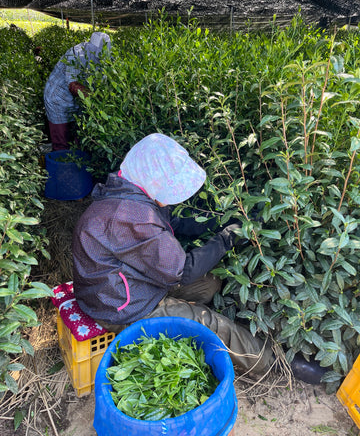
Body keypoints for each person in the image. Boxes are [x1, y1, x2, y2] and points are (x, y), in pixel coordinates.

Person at [72, 133, 325, 382]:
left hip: (124, 287)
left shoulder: (127, 192)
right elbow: (184, 270)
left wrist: (223, 221)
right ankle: (272, 363)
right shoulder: (132, 216)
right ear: (154, 179)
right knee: (212, 324)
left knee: (211, 283)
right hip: (120, 309)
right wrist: (228, 236)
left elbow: (177, 222)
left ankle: (192, 321)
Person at [43, 32, 111, 151]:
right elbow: (73, 85)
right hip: (58, 98)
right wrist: (96, 100)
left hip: (78, 101)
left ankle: (74, 165)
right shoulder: (77, 53)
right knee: (62, 141)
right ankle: (62, 167)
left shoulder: (105, 57)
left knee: (77, 139)